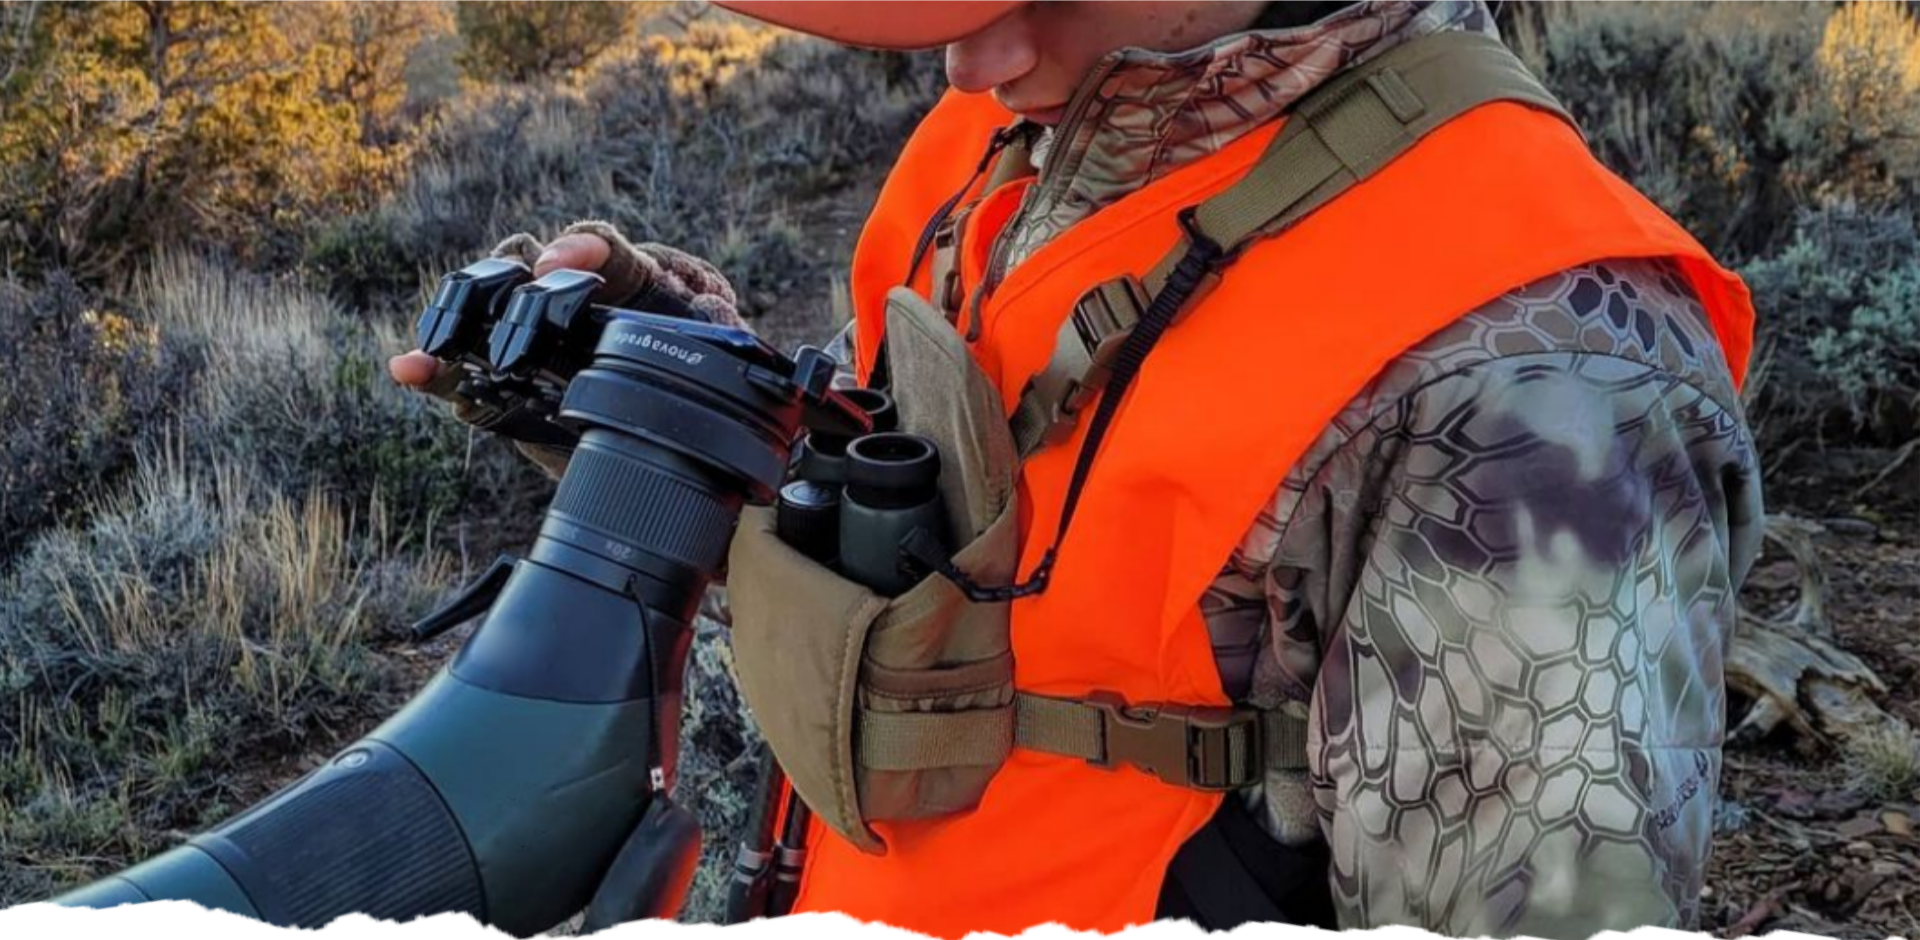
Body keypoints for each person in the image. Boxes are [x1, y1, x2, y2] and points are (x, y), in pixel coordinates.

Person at [389, 3, 1764, 938]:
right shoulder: (1038, 123)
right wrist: (690, 392)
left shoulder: (1535, 385)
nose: (970, 54)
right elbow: (980, 522)